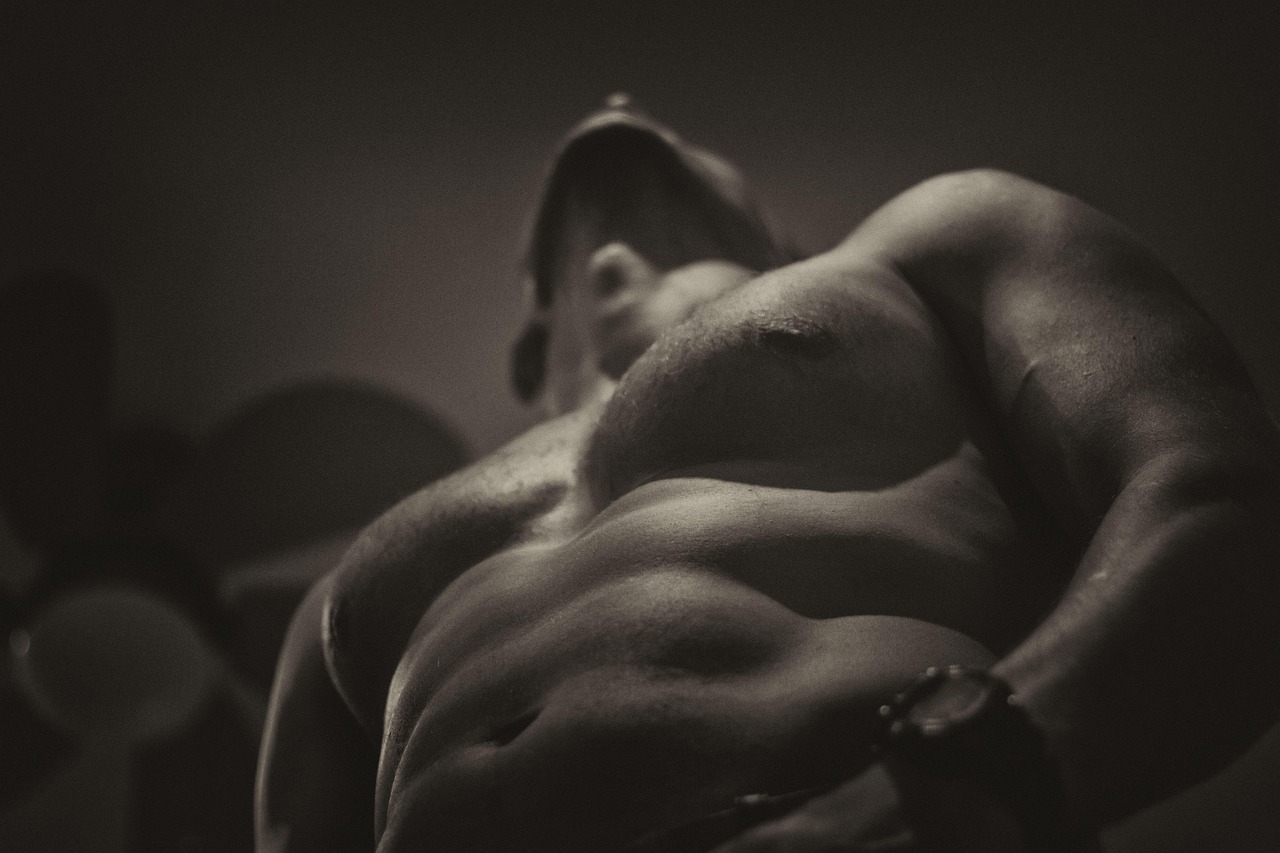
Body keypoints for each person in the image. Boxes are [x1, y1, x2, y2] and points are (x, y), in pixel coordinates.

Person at [254, 95, 1280, 852]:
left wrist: (923, 799)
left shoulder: (932, 242)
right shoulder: (350, 579)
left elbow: (1222, 507)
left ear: (773, 245)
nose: (616, 105)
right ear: (528, 349)